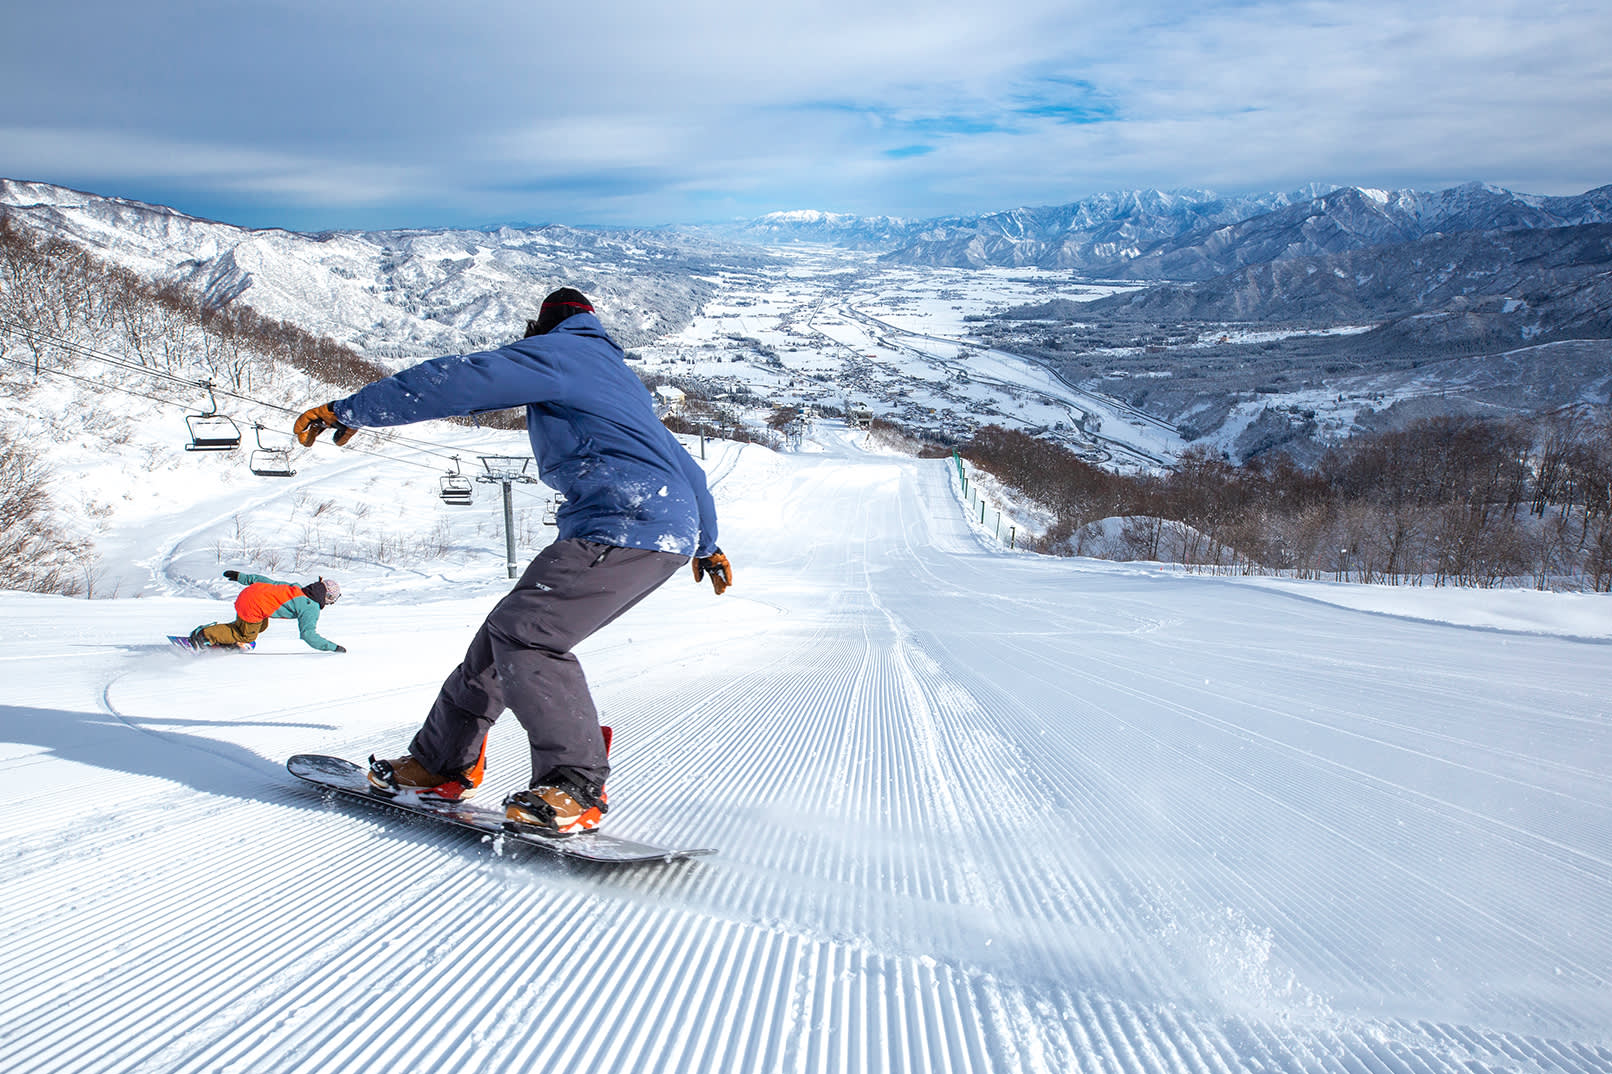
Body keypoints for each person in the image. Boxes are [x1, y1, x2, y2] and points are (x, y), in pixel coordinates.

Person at [292, 287, 731, 835]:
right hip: (650, 527)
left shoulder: (561, 354)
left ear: (541, 327)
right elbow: (685, 466)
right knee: (501, 640)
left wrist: (351, 409)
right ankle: (440, 763)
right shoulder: (617, 376)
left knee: (529, 636)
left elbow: (460, 380)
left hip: (624, 522)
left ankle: (575, 785)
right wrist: (707, 544)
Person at [188, 571, 345, 652]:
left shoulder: (296, 588)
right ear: (327, 597)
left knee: (261, 625)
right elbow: (308, 635)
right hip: (253, 606)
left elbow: (270, 582)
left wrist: (242, 577)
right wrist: (333, 648)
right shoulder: (311, 608)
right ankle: (204, 636)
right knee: (247, 636)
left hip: (249, 594)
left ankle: (223, 634)